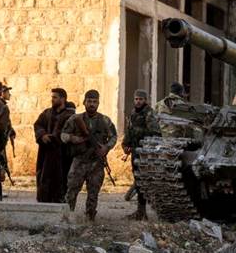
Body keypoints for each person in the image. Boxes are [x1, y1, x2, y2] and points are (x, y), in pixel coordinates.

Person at [61, 90, 117, 221]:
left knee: (93, 194)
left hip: (96, 163)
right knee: (71, 192)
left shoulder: (105, 120)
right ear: (84, 102)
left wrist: (106, 147)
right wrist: (73, 138)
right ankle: (67, 218)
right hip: (79, 161)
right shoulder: (75, 119)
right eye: (89, 101)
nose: (92, 104)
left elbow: (114, 136)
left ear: (98, 103)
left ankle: (90, 219)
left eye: (95, 102)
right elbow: (63, 135)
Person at [122, 89, 161, 220]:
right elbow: (129, 130)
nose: (138, 101)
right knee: (138, 181)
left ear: (146, 100)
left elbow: (155, 133)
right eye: (136, 99)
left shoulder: (149, 113)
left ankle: (143, 212)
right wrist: (125, 144)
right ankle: (141, 211)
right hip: (135, 151)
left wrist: (138, 134)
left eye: (141, 99)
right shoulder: (134, 112)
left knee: (143, 182)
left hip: (145, 152)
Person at [33, 88, 76, 203]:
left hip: (62, 155)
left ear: (63, 99)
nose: (52, 100)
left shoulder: (70, 116)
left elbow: (66, 132)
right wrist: (42, 135)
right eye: (52, 97)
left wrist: (51, 138)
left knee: (61, 179)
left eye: (55, 97)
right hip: (45, 154)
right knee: (44, 178)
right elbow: (38, 125)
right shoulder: (47, 113)